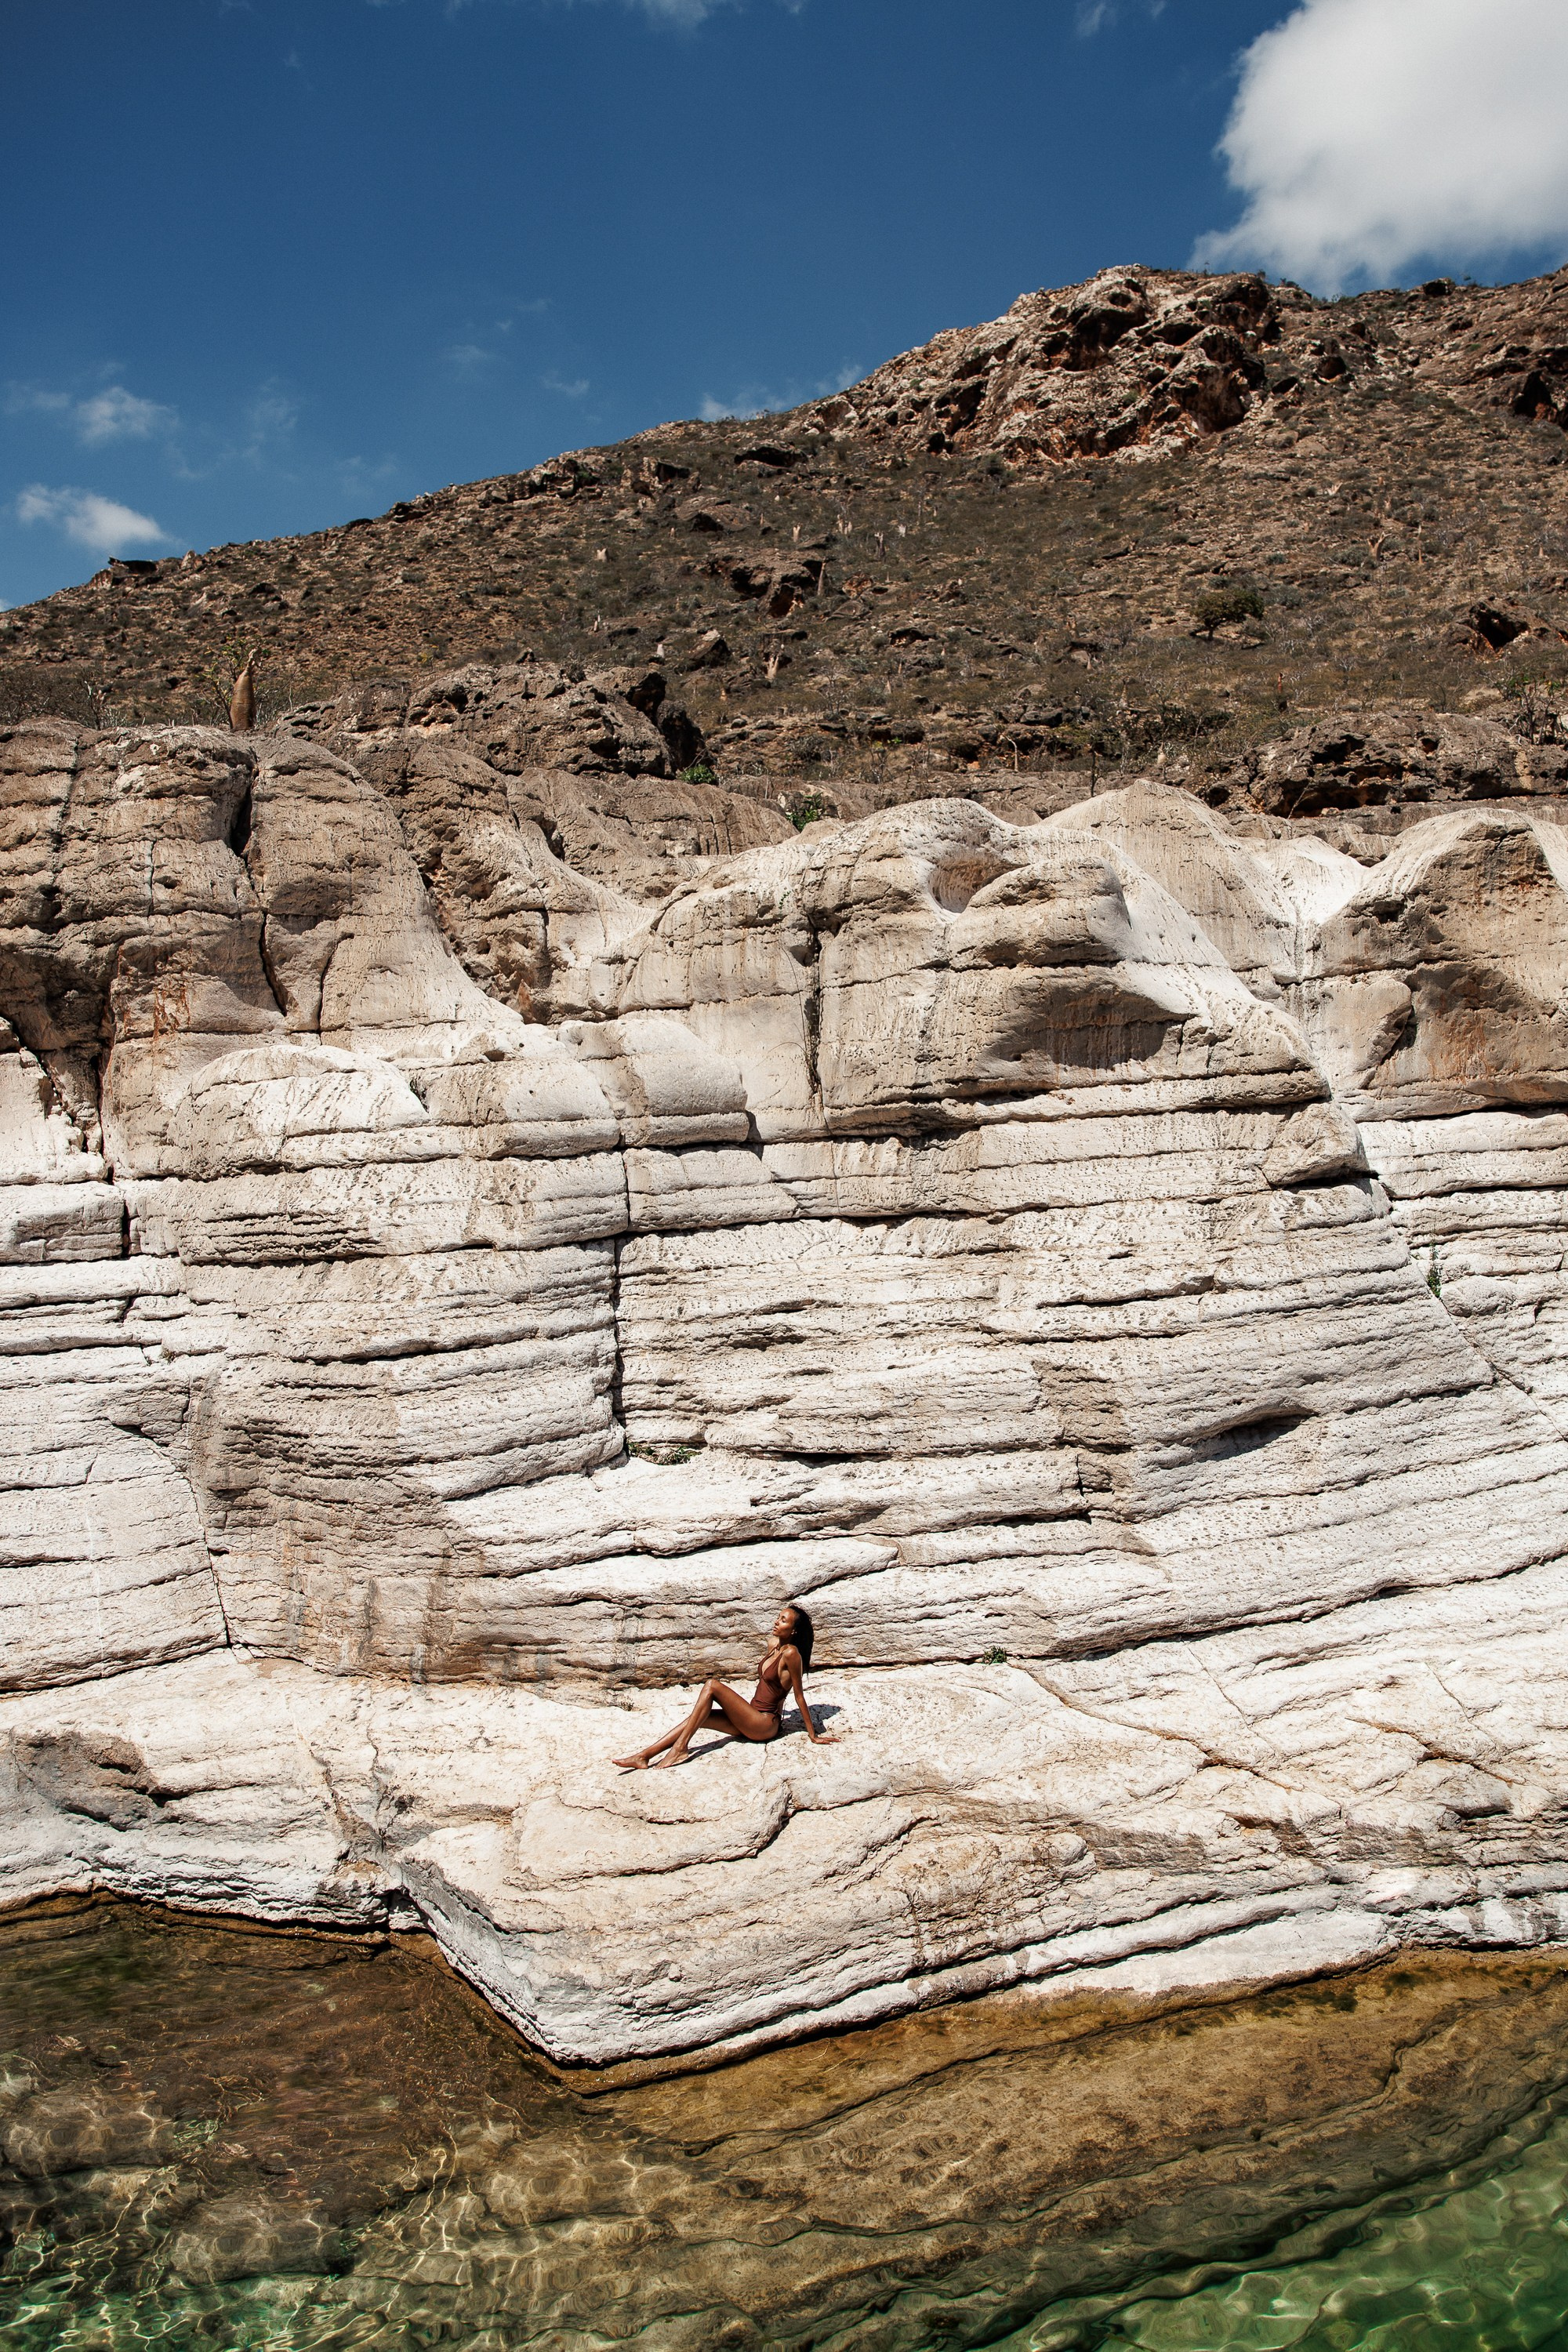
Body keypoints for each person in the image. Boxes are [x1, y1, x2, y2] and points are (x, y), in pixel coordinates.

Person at [613, 1603, 838, 1770]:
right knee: (700, 1717)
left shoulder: (792, 1654)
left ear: (794, 1631)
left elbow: (799, 1696)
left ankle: (680, 1749)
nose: (777, 1622)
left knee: (712, 1686)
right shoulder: (773, 1645)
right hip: (749, 1717)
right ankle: (644, 1756)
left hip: (764, 1724)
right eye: (778, 1617)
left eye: (784, 1620)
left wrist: (814, 1735)